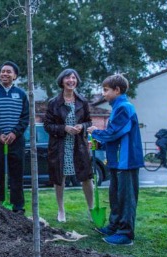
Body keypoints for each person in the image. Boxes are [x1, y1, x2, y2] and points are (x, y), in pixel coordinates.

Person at [87, 74, 144, 246]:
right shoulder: (117, 108)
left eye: (106, 90)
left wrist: (95, 132)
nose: (103, 94)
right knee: (115, 196)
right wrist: (101, 145)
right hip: (117, 161)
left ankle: (125, 234)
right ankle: (114, 226)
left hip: (126, 161)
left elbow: (114, 132)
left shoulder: (124, 108)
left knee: (126, 198)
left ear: (117, 90)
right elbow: (115, 138)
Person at [43, 68, 93, 223]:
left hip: (79, 145)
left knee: (86, 177)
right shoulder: (54, 103)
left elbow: (89, 121)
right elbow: (47, 125)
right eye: (67, 78)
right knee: (60, 178)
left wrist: (82, 127)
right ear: (62, 81)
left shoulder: (82, 101)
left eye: (73, 78)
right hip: (60, 145)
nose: (71, 81)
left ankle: (91, 209)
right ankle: (61, 210)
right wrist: (64, 128)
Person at [0, 61, 29, 214]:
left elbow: (25, 117)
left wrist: (14, 133)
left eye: (8, 72)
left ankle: (18, 207)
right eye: (3, 71)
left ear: (15, 76)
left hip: (16, 141)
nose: (5, 74)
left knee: (17, 174)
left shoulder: (22, 94)